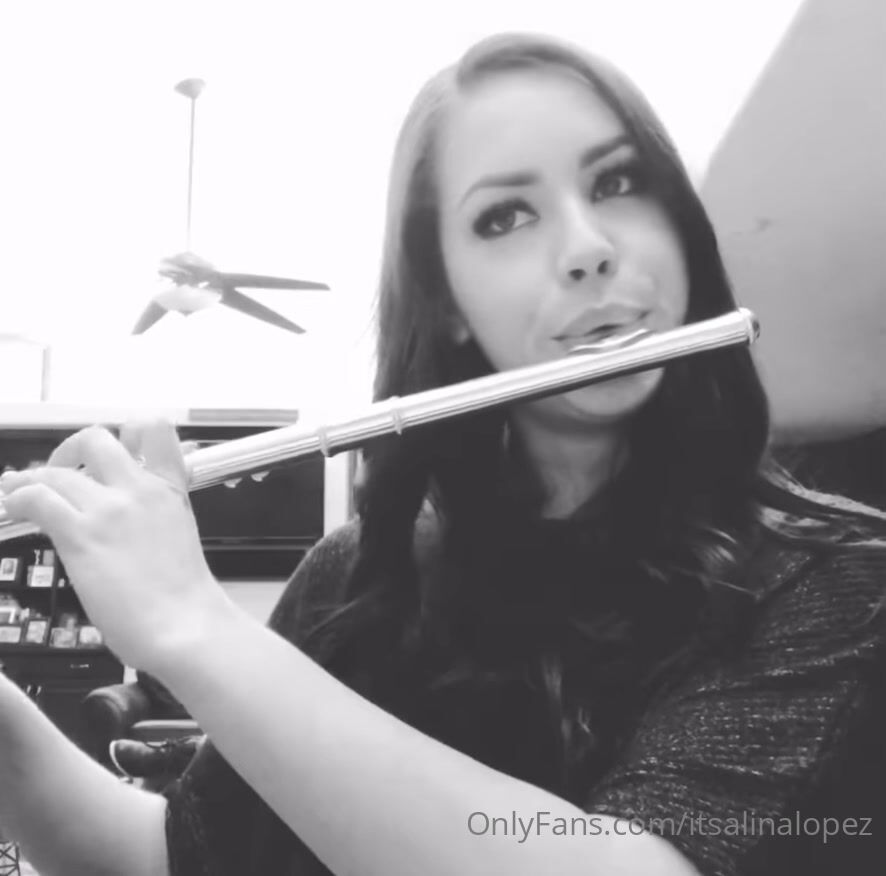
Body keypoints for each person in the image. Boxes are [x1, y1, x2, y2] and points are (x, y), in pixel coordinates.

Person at [1, 31, 886, 876]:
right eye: (506, 216)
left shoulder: (834, 578)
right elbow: (179, 860)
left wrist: (195, 625)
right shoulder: (358, 575)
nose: (588, 248)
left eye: (618, 181)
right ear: (450, 300)